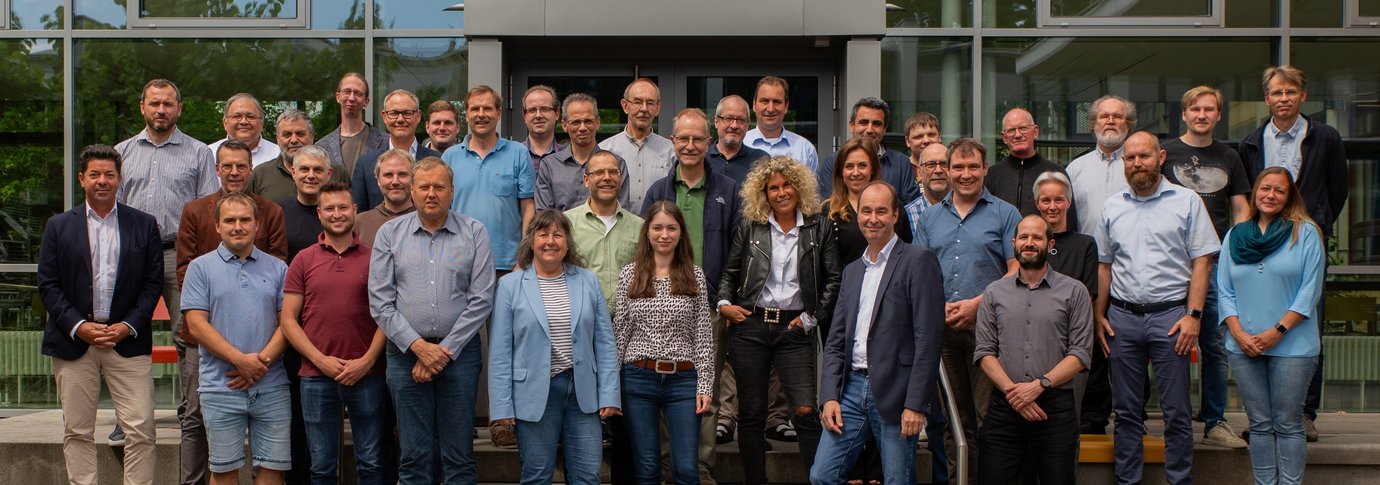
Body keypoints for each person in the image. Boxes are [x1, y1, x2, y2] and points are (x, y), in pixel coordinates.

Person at [1094, 131, 1219, 485]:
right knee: (1126, 412)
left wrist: (1194, 316)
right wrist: (1098, 315)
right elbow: (1104, 266)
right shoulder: (1112, 206)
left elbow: (1202, 262)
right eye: (1130, 158)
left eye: (1144, 156)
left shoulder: (1187, 201)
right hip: (1122, 318)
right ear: (1123, 163)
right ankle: (1127, 481)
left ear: (1160, 158)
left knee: (1176, 411)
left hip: (1172, 318)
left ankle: (1179, 480)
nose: (1137, 163)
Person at [39, 144, 163, 485]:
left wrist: (127, 325)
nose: (102, 181)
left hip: (127, 341)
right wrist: (79, 326)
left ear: (119, 179)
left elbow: (152, 284)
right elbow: (48, 284)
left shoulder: (144, 225)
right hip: (74, 342)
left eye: (109, 174)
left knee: (142, 428)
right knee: (78, 430)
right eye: (95, 174)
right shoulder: (58, 226)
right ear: (82, 179)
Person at [114, 78, 218, 484]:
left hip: (179, 252)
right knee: (126, 331)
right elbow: (112, 207)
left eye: (168, 104)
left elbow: (208, 210)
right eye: (154, 103)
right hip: (132, 253)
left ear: (179, 108)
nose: (161, 110)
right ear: (142, 107)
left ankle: (192, 411)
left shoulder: (198, 152)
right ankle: (126, 418)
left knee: (187, 333)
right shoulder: (122, 152)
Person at [1237, 65, 1349, 442]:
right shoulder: (1251, 142)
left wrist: (1317, 225)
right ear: (1266, 99)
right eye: (1276, 92)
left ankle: (1303, 412)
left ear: (1302, 96)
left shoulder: (1326, 138)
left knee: (1306, 321)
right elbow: (1250, 194)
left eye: (1290, 92)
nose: (1283, 98)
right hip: (1262, 242)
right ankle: (1263, 413)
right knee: (1260, 319)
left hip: (1305, 240)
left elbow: (1338, 191)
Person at [809, 181, 945, 485]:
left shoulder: (918, 261)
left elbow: (929, 339)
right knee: (822, 475)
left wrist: (916, 403)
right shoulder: (852, 271)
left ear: (895, 215)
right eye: (866, 211)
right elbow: (836, 341)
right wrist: (829, 396)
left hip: (898, 391)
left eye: (881, 211)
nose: (873, 218)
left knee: (897, 479)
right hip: (851, 390)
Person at [370, 157, 495, 484]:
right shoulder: (389, 234)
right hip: (404, 356)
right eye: (423, 187)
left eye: (439, 187)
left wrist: (443, 352)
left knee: (459, 456)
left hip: (460, 355)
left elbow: (481, 299)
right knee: (414, 457)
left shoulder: (475, 232)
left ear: (452, 191)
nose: (431, 194)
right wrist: (418, 347)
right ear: (411, 191)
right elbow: (380, 302)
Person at [717, 155, 839, 485]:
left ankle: (817, 479)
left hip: (794, 328)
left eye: (787, 185)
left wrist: (812, 318)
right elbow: (730, 272)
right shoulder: (751, 226)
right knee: (752, 412)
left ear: (799, 188)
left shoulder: (818, 226)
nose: (781, 192)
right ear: (764, 193)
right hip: (751, 326)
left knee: (804, 410)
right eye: (773, 188)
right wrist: (725, 304)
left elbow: (833, 278)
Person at [643, 108, 742, 483]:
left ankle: (700, 465)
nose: (690, 145)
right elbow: (645, 246)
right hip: (660, 304)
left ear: (709, 142)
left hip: (709, 306)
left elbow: (737, 251)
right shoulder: (658, 190)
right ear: (673, 142)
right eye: (683, 138)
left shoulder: (727, 191)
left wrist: (724, 298)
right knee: (661, 387)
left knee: (707, 388)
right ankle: (668, 464)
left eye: (697, 138)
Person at [913, 138, 1021, 480]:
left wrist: (978, 304)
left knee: (989, 417)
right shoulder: (930, 218)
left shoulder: (1005, 213)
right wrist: (938, 305)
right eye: (958, 167)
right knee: (952, 422)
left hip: (989, 332)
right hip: (943, 332)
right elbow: (919, 273)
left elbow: (1016, 270)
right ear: (948, 170)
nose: (966, 174)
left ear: (985, 169)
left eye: (973, 166)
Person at [490, 210, 621, 485]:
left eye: (558, 235)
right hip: (534, 394)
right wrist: (502, 406)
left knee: (588, 476)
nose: (550, 241)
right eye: (543, 234)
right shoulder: (510, 286)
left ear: (568, 243)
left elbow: (605, 343)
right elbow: (500, 351)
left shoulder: (587, 281)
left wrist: (610, 393)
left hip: (582, 393)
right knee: (537, 476)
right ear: (531, 242)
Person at [1218, 167, 1326, 485]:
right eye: (1265, 188)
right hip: (1244, 345)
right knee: (1260, 424)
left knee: (1288, 423)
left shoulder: (1306, 233)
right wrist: (1238, 333)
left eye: (1279, 190)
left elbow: (1309, 291)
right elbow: (1224, 290)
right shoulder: (1235, 235)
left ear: (1289, 197)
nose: (1271, 195)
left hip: (1293, 346)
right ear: (1255, 193)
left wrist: (1276, 332)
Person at [278, 182, 390, 484]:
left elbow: (387, 316)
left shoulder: (375, 257)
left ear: (354, 210)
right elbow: (288, 319)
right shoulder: (303, 259)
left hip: (367, 374)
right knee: (321, 467)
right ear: (319, 213)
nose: (336, 214)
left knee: (371, 464)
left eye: (343, 207)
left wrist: (367, 361)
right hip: (315, 376)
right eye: (329, 208)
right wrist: (320, 360)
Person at [1162, 85, 1253, 449]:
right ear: (1184, 114)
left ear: (1218, 115)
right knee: (1167, 342)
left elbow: (1241, 209)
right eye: (1195, 109)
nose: (1202, 115)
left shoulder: (1229, 156)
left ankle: (1215, 421)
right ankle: (1173, 418)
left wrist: (1235, 254)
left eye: (1209, 109)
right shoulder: (1166, 153)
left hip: (1215, 264)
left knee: (1215, 345)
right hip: (1171, 264)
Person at [181, 193, 293, 485]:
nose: (238, 226)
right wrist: (240, 360)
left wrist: (258, 364)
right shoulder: (199, 268)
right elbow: (196, 325)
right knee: (223, 471)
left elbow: (288, 324)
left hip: (271, 385)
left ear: (258, 224)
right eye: (230, 220)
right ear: (217, 226)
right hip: (220, 387)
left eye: (245, 219)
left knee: (273, 470)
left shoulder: (278, 268)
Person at [973, 215, 1093, 485]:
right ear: (1014, 243)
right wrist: (1016, 395)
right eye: (1024, 237)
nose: (1029, 243)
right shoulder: (993, 292)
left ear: (1050, 245)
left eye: (1037, 237)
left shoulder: (1075, 292)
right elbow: (984, 352)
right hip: (1004, 406)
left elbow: (1080, 353)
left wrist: (1039, 386)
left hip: (1054, 408)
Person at [613, 202, 714, 485]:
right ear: (647, 232)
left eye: (671, 228)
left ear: (681, 233)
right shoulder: (630, 274)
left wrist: (705, 385)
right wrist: (611, 386)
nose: (664, 235)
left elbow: (703, 334)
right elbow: (620, 332)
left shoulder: (694, 275)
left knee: (686, 469)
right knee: (647, 467)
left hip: (683, 380)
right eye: (657, 228)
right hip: (637, 378)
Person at [1032, 172, 1105, 434]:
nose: (1052, 206)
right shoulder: (1030, 244)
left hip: (1071, 343)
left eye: (1059, 200)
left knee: (1066, 422)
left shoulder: (1085, 245)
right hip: (1033, 341)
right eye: (1046, 200)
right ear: (1037, 204)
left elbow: (1087, 295)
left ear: (1069, 203)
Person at [445, 84, 537, 275]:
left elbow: (528, 208)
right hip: (459, 262)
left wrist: (523, 257)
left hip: (506, 264)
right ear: (466, 114)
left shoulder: (518, 153)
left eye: (487, 108)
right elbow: (442, 209)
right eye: (475, 109)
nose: (481, 114)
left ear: (498, 113)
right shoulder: (450, 157)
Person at [178, 139, 288, 286]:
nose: (234, 172)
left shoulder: (272, 212)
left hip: (258, 293)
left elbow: (277, 265)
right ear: (217, 169)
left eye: (241, 166)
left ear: (250, 169)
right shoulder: (194, 212)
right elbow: (186, 268)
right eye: (227, 166)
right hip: (209, 295)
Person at [565, 150, 643, 313]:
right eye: (599, 172)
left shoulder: (639, 227)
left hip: (627, 320)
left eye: (613, 172)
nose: (607, 177)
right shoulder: (566, 224)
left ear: (620, 178)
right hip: (582, 318)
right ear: (586, 180)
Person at [826, 138, 913, 265]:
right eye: (849, 166)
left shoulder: (894, 205)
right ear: (841, 171)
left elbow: (906, 251)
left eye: (862, 165)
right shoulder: (829, 212)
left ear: (872, 168)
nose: (856, 172)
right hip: (847, 278)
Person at [537, 93, 630, 211]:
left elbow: (622, 212)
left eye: (588, 121)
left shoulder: (617, 164)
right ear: (564, 125)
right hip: (560, 224)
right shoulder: (549, 166)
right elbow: (544, 215)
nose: (582, 128)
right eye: (576, 122)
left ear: (597, 123)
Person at [816, 97, 920, 202]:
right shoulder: (833, 162)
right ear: (852, 126)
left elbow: (911, 205)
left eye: (876, 124)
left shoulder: (901, 163)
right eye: (863, 122)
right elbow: (829, 205)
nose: (869, 129)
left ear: (884, 129)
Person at [353, 89, 443, 210]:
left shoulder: (438, 160)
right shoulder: (366, 164)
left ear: (418, 116)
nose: (400, 119)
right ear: (384, 117)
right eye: (394, 113)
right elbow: (359, 214)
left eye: (407, 113)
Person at [987, 107, 1077, 226]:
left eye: (1023, 128)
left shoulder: (1055, 173)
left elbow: (1069, 223)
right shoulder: (992, 175)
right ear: (1004, 137)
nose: (1017, 135)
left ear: (1035, 131)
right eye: (1011, 130)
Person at [601, 78, 676, 211]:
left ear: (657, 108)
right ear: (625, 106)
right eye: (637, 102)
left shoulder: (672, 151)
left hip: (659, 223)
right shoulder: (605, 150)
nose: (644, 109)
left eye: (650, 103)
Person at [1067, 95, 1134, 236]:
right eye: (1104, 116)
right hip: (1087, 248)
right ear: (1093, 124)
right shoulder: (1074, 169)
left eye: (1117, 116)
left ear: (1128, 124)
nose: (1110, 121)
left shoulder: (1139, 167)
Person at [250, 109, 349, 203]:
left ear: (312, 136)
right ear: (278, 138)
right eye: (287, 134)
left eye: (300, 134)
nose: (293, 140)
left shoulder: (337, 172)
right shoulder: (260, 175)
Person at [317, 72, 388, 175]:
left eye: (358, 93)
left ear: (366, 101)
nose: (351, 98)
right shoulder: (321, 147)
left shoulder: (386, 142)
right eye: (346, 92)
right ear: (338, 97)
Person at [745, 76, 818, 171]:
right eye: (765, 101)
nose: (770, 109)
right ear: (754, 105)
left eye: (776, 102)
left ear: (786, 106)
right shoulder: (741, 143)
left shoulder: (805, 149)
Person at [280, 145, 335, 262]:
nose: (311, 176)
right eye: (304, 169)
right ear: (293, 172)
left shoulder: (342, 214)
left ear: (329, 174)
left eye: (318, 170)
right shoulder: (278, 213)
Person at [355, 150, 417, 247]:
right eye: (388, 175)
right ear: (378, 180)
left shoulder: (426, 220)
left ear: (414, 179)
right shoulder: (360, 223)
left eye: (402, 174)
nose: (395, 181)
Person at [707, 94, 770, 184]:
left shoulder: (761, 160)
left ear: (747, 125)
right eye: (728, 118)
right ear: (716, 121)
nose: (734, 126)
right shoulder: (702, 158)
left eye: (741, 120)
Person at [207, 93, 280, 168]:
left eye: (250, 116)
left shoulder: (279, 155)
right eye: (237, 116)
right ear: (225, 122)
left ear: (261, 123)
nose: (243, 122)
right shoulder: (208, 154)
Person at [904, 143, 948, 235]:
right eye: (931, 165)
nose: (938, 170)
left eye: (944, 164)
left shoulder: (968, 212)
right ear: (919, 172)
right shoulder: (906, 215)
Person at [521, 85, 566, 168]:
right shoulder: (513, 155)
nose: (538, 115)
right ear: (524, 117)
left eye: (545, 109)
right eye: (532, 110)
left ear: (557, 114)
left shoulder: (569, 157)